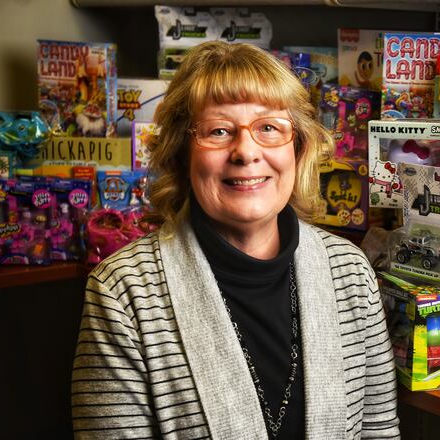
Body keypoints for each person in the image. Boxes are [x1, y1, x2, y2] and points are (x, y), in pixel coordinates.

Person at [71, 41, 400, 439]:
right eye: (219, 131)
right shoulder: (124, 292)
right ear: (182, 153)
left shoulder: (350, 271)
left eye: (268, 128)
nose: (246, 151)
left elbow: (379, 433)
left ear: (298, 148)